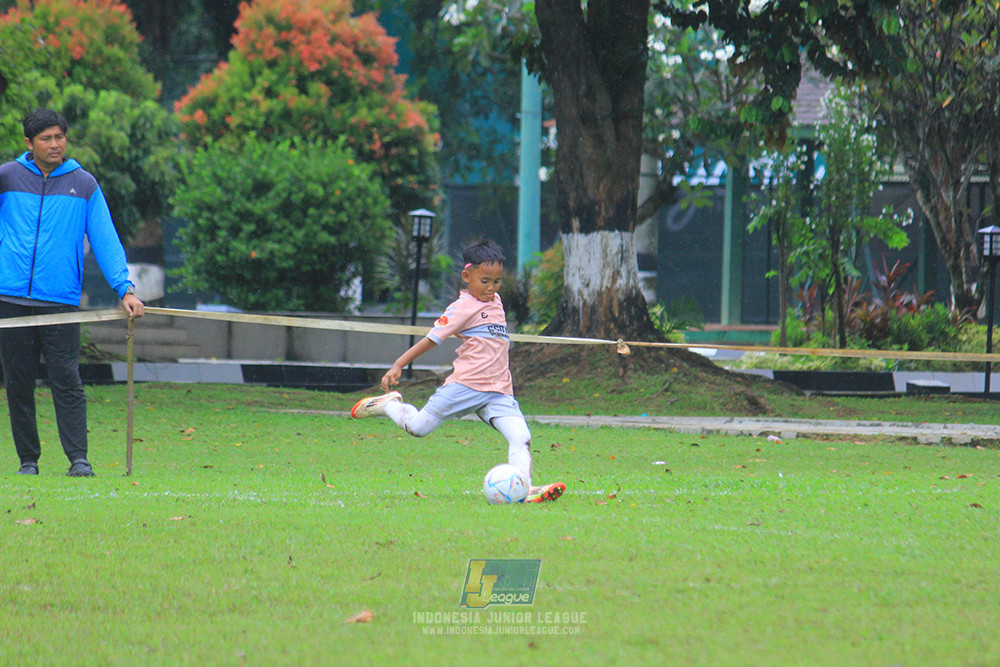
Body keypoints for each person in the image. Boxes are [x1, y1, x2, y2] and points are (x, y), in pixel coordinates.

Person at [351, 239, 565, 503]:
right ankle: (389, 405)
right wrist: (399, 364)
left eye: (497, 281)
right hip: (465, 386)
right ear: (467, 276)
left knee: (522, 437)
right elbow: (432, 338)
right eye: (485, 281)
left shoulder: (496, 301)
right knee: (418, 428)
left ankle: (526, 489)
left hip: (499, 391)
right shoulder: (461, 308)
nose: (491, 288)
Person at [0, 108, 145, 477]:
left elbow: (105, 238)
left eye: (60, 137)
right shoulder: (7, 177)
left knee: (67, 380)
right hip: (10, 299)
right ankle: (27, 461)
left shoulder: (84, 184)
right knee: (18, 384)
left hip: (61, 303)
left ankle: (78, 459)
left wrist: (124, 288)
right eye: (46, 139)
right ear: (29, 143)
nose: (55, 145)